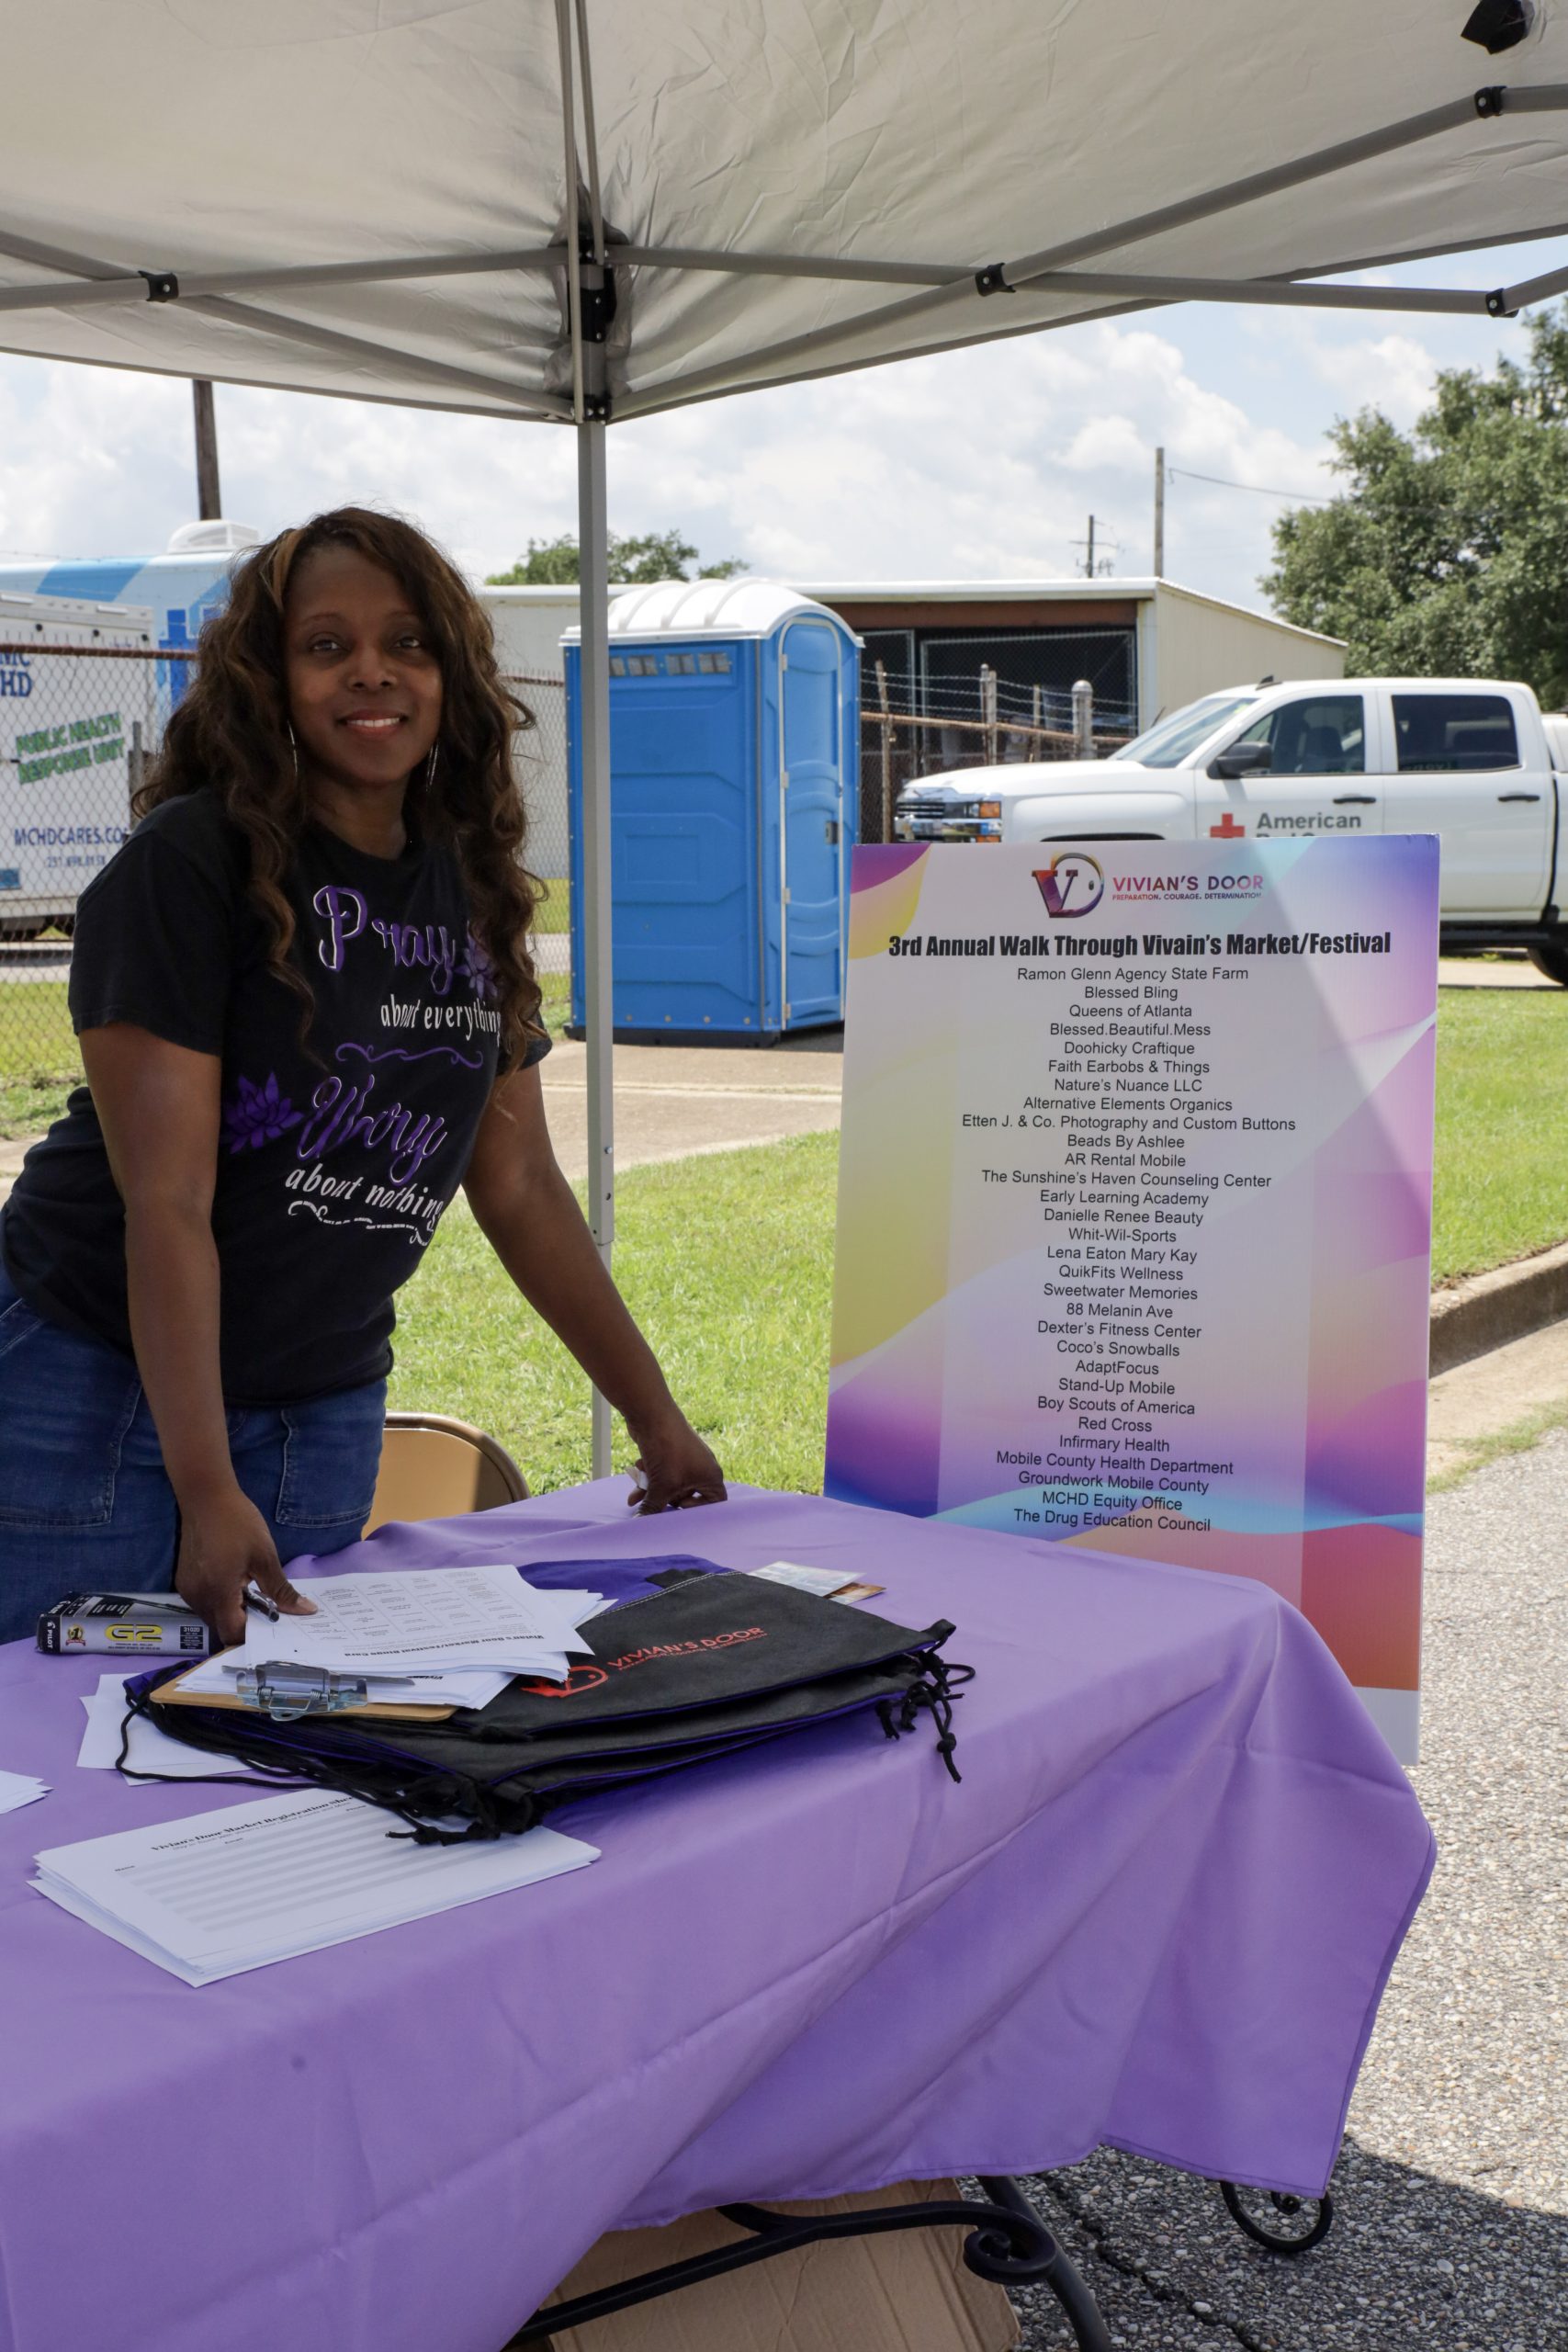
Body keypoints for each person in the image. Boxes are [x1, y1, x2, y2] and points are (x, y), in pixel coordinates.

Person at [0, 506, 724, 1649]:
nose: (372, 672)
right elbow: (167, 1202)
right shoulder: (189, 862)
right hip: (94, 1387)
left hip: (322, 1409)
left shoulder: (469, 886)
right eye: (326, 645)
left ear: (451, 676)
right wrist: (204, 1483)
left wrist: (655, 1415)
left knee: (291, 1727)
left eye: (408, 643)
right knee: (58, 1720)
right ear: (269, 678)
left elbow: (521, 1183)